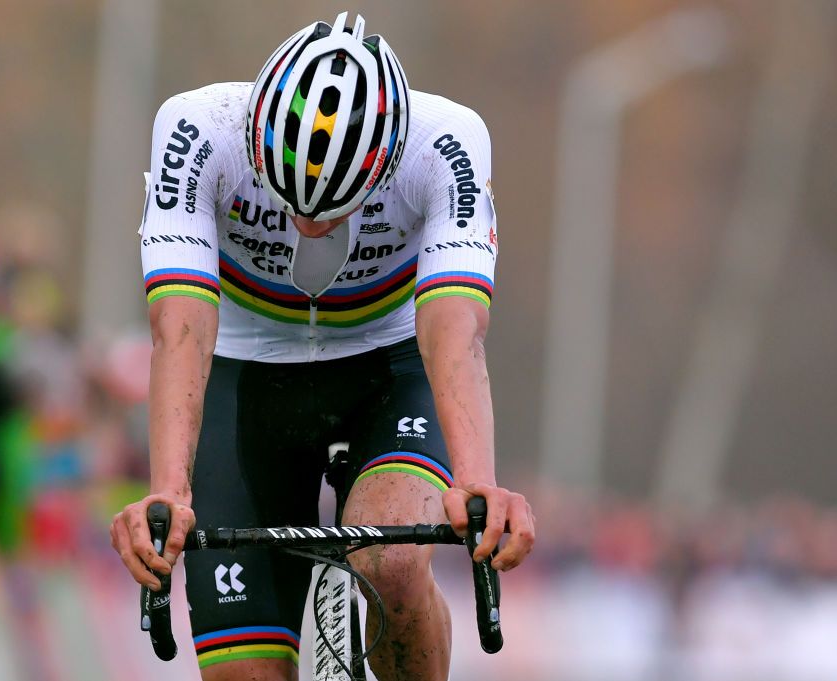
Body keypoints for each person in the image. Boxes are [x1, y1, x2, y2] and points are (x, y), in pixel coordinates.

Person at [110, 12, 535, 681]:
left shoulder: (446, 141)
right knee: (244, 672)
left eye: (333, 210)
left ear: (387, 161)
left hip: (387, 368)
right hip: (243, 375)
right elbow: (181, 328)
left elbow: (454, 336)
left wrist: (477, 480)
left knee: (391, 563)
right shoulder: (198, 130)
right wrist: (167, 490)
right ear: (254, 136)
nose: (307, 224)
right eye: (288, 203)